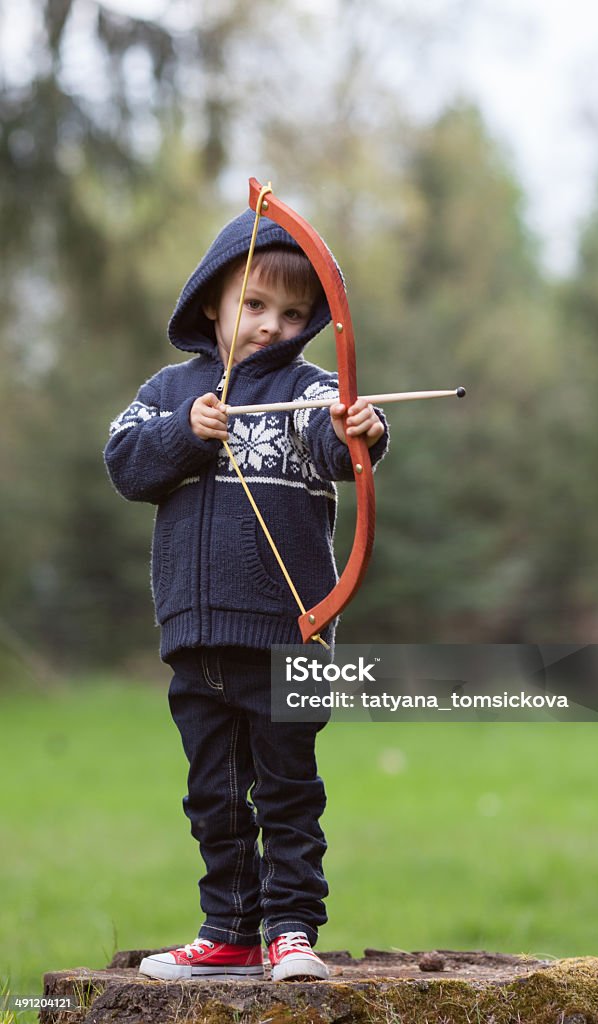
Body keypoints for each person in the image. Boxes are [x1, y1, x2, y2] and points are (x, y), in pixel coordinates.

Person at [104, 206, 388, 982]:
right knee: (215, 797)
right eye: (254, 305)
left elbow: (339, 443)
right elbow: (126, 464)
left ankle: (291, 932)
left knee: (288, 791)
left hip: (289, 632)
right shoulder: (169, 390)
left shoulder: (309, 388)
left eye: (294, 313)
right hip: (196, 635)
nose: (272, 325)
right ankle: (229, 930)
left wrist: (358, 425)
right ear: (210, 303)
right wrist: (185, 432)